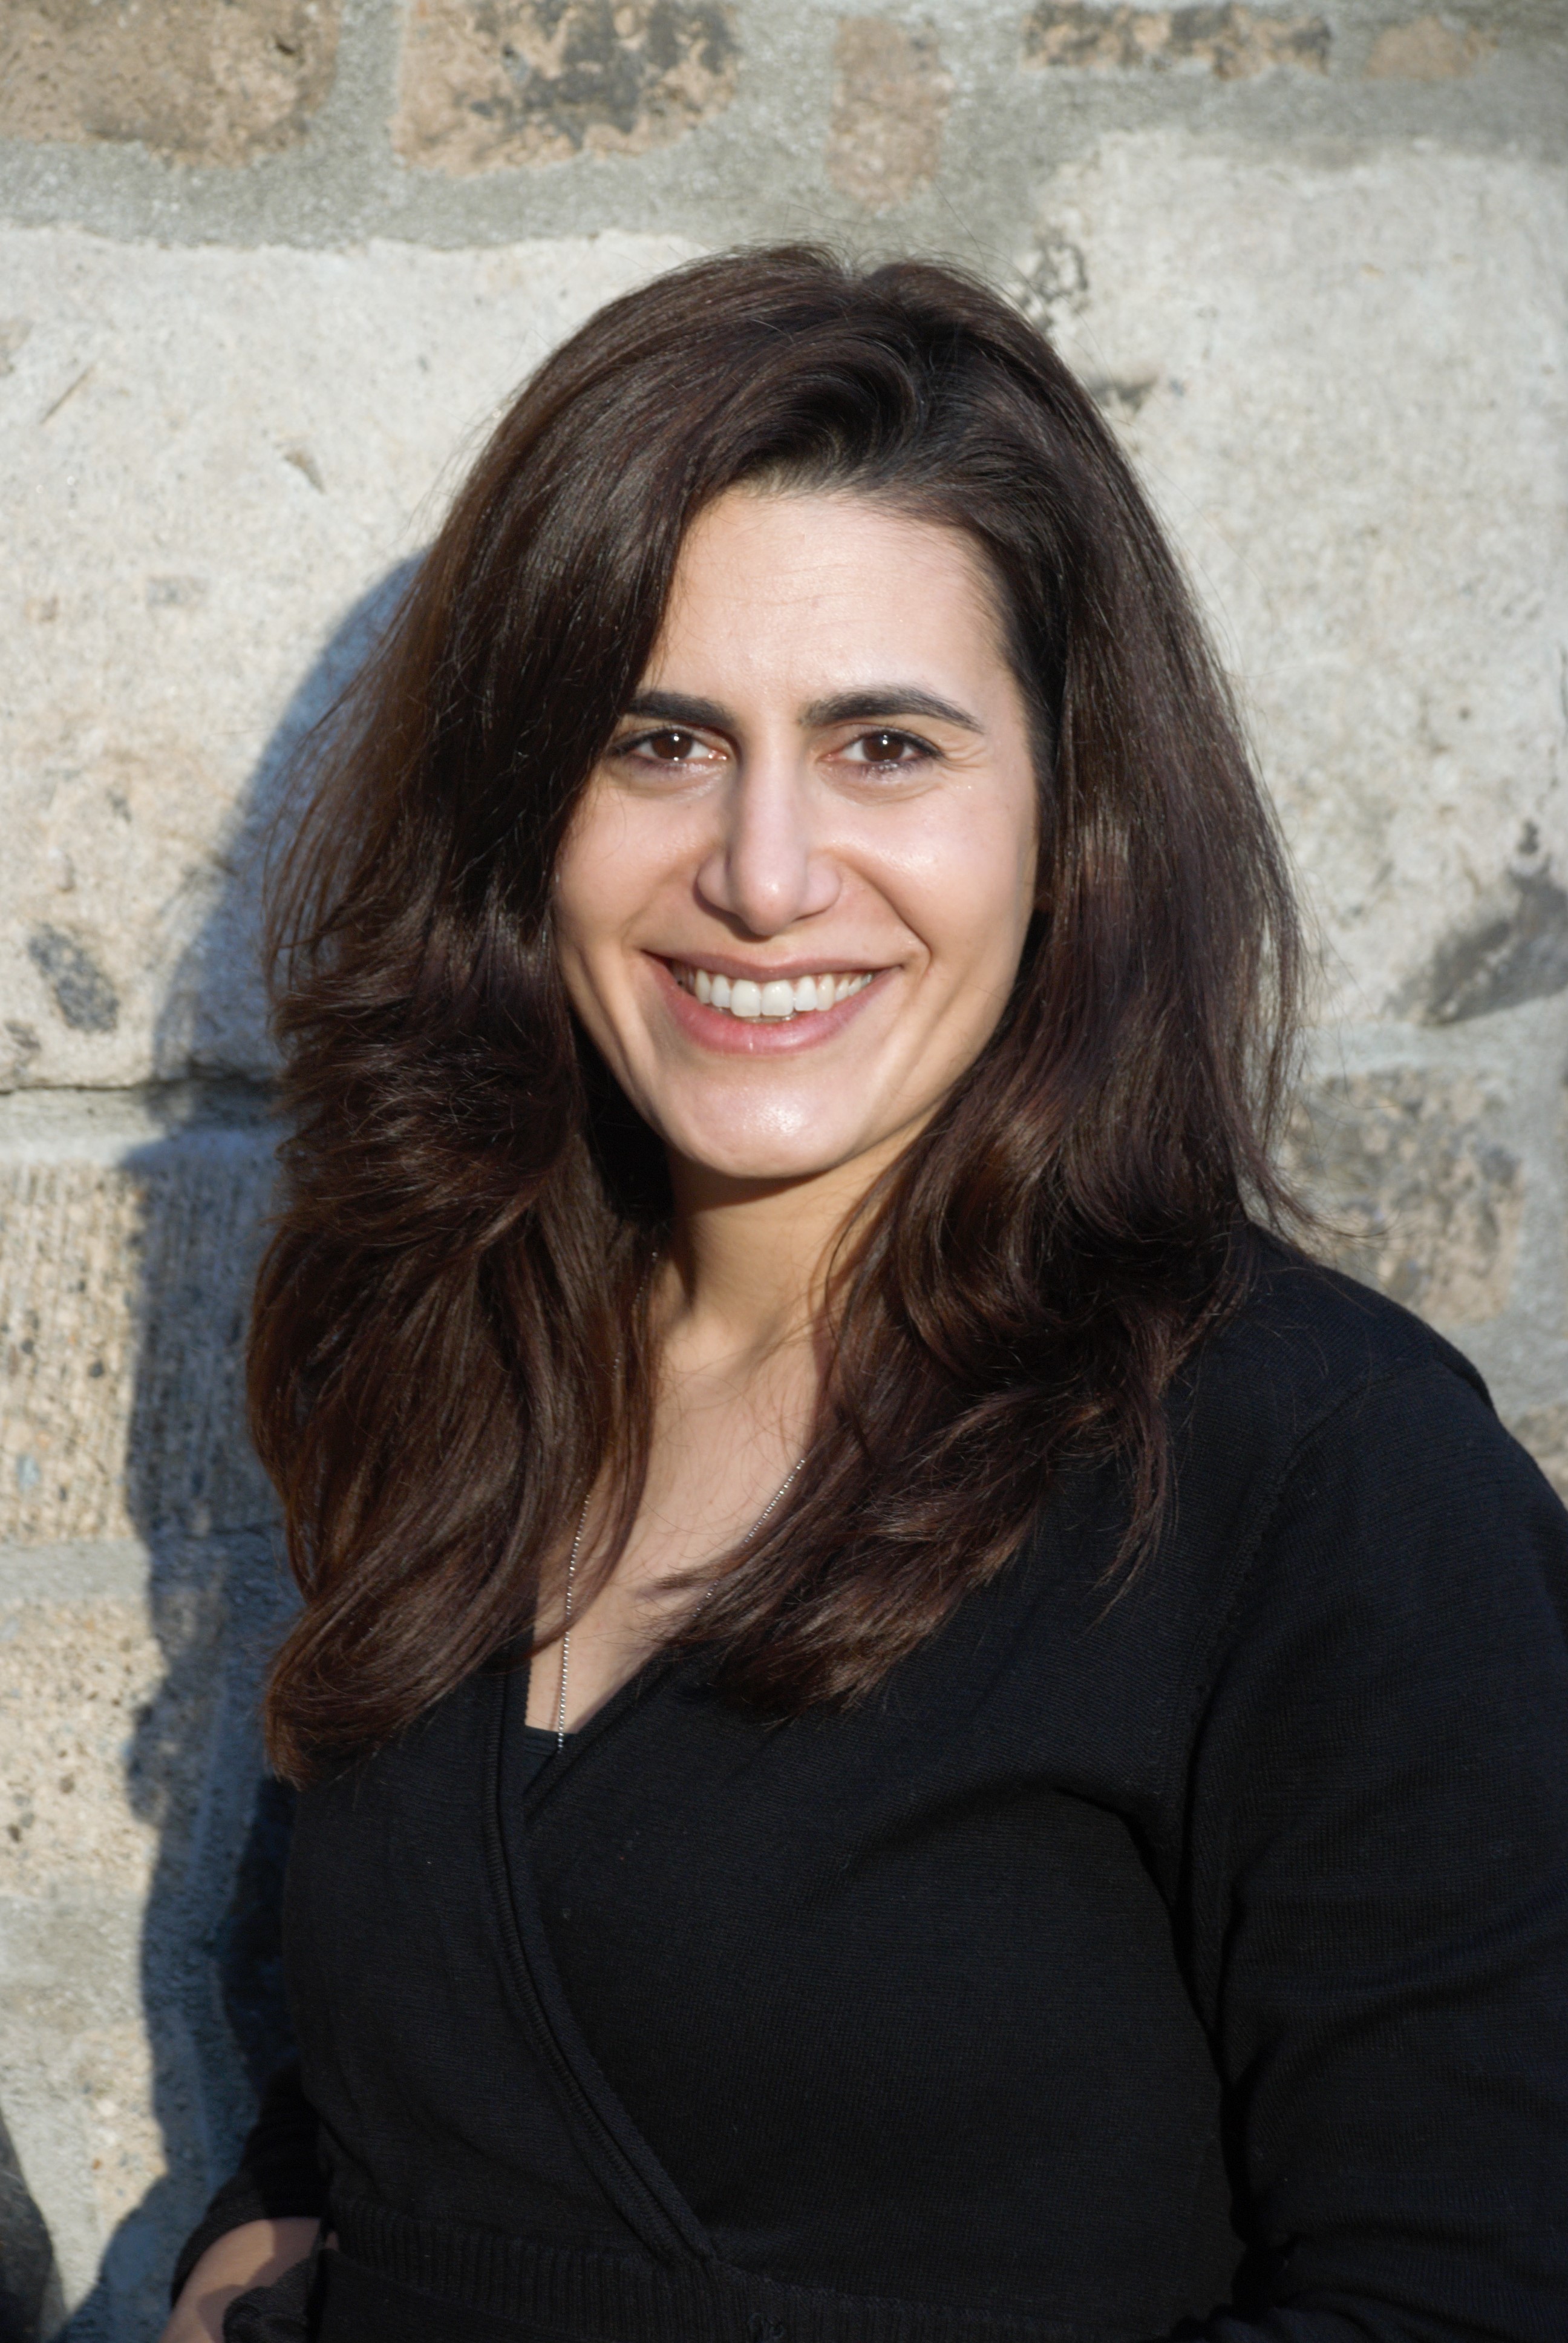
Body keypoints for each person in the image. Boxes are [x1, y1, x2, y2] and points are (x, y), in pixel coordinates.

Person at [162, 247, 1568, 2343]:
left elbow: (1475, 2298)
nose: (763, 873)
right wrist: (255, 2241)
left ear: (1071, 812)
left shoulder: (1324, 1480)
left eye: (887, 746)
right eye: (658, 741)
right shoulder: (461, 1358)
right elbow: (454, 2046)